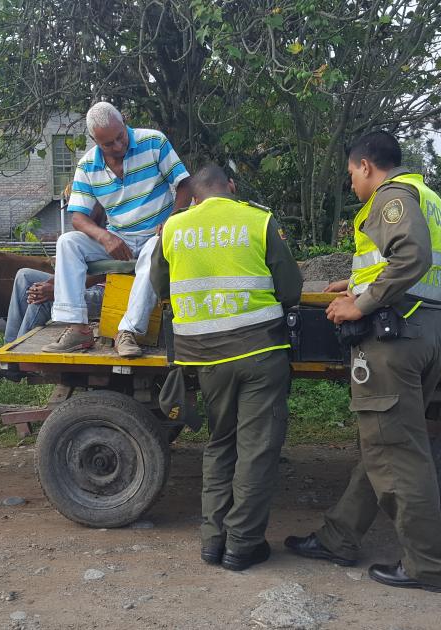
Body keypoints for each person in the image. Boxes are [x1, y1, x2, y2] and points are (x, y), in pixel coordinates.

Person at [284, 130, 441, 593]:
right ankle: (338, 537)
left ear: (365, 166)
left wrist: (363, 304)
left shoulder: (391, 196)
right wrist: (357, 282)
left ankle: (427, 566)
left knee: (398, 455)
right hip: (429, 327)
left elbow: (412, 256)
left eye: (350, 174)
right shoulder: (428, 195)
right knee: (385, 443)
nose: (352, 184)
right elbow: (411, 264)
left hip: (396, 337)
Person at [151, 165, 302, 571]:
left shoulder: (174, 229)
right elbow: (291, 289)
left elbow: (160, 289)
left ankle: (212, 542)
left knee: (221, 443)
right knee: (256, 450)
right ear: (231, 187)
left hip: (205, 358)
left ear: (195, 196)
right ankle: (242, 545)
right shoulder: (259, 219)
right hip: (260, 352)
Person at [43, 101, 192, 357]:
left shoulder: (154, 142)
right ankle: (78, 328)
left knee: (155, 249)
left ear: (124, 121)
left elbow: (185, 185)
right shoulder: (87, 165)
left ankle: (128, 332)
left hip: (156, 235)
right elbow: (78, 217)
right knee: (67, 242)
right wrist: (105, 237)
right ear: (94, 140)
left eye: (120, 137)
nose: (118, 146)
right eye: (108, 144)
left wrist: (172, 220)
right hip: (118, 238)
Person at [3, 268, 104, 342]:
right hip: (84, 282)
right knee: (24, 275)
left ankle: (15, 363)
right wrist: (48, 285)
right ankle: (8, 348)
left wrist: (58, 291)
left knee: (42, 298)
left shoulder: (112, 242)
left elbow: (102, 273)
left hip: (106, 293)